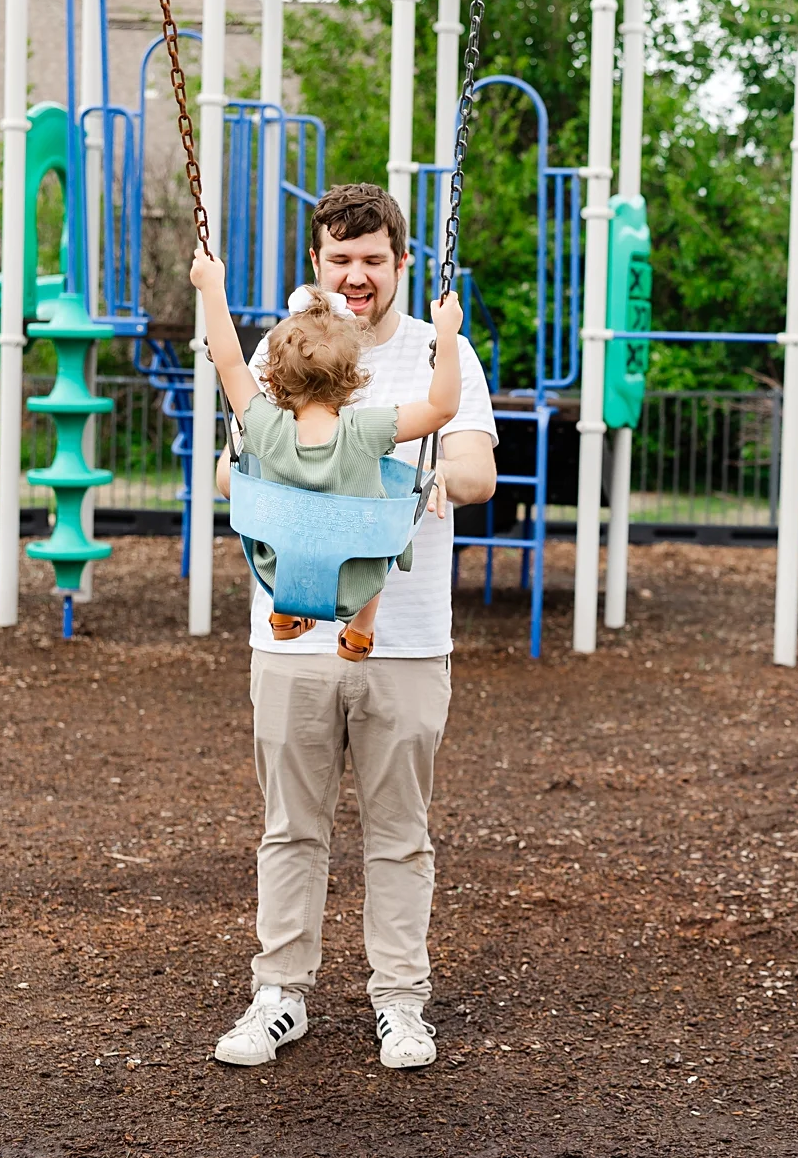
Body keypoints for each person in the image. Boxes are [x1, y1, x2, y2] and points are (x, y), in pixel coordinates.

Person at [207, 184, 498, 1071]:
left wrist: (427, 482)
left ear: (402, 263)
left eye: (373, 259)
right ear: (318, 265)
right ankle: (279, 995)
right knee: (290, 826)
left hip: (405, 642)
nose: (357, 275)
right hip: (289, 639)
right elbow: (232, 470)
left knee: (398, 832)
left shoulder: (437, 352)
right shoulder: (282, 352)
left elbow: (477, 466)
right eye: (341, 259)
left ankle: (400, 1002)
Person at [188, 266, 464, 662]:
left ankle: (284, 609)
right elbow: (441, 409)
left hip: (276, 565)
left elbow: (229, 362)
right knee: (383, 520)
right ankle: (360, 631)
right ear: (352, 378)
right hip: (356, 578)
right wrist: (448, 336)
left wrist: (212, 288)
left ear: (274, 380)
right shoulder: (366, 429)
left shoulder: (262, 424)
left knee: (288, 518)